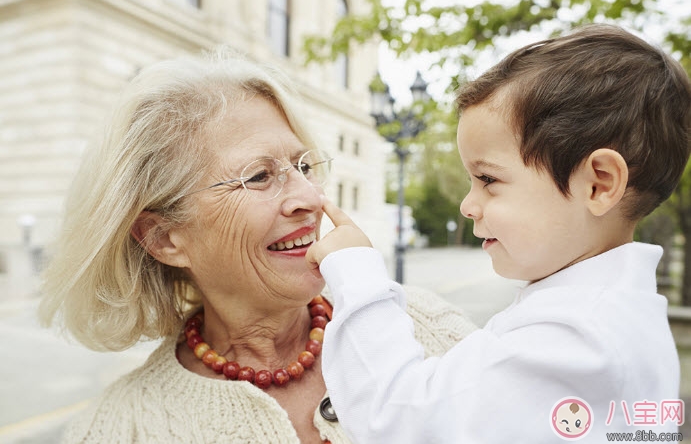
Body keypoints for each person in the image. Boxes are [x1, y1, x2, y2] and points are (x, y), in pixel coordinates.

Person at [38, 48, 478, 444]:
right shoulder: (122, 429)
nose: (311, 198)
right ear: (165, 239)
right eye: (260, 176)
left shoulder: (429, 330)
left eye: (304, 165)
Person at [306, 24, 691, 443]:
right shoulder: (609, 316)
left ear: (598, 184)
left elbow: (400, 420)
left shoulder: (577, 340)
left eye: (488, 178)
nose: (467, 205)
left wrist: (359, 277)